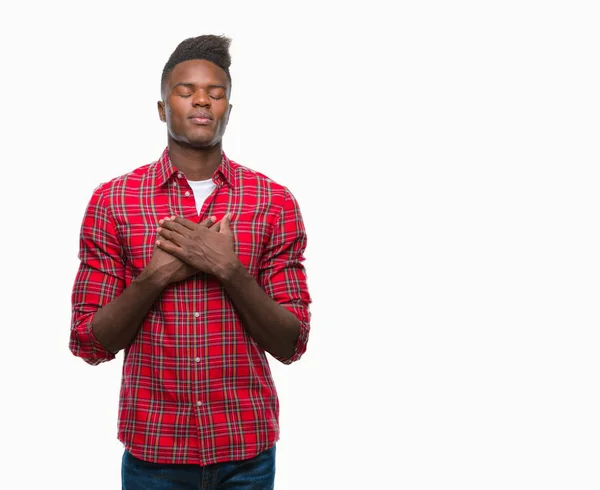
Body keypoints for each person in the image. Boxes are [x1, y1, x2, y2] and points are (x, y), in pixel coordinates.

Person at [69, 34, 311, 489]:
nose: (202, 99)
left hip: (247, 451)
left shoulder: (274, 202)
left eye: (216, 93)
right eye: (185, 91)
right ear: (162, 108)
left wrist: (231, 271)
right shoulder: (113, 202)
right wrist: (154, 277)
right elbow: (88, 342)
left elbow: (292, 343)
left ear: (228, 111)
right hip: (154, 453)